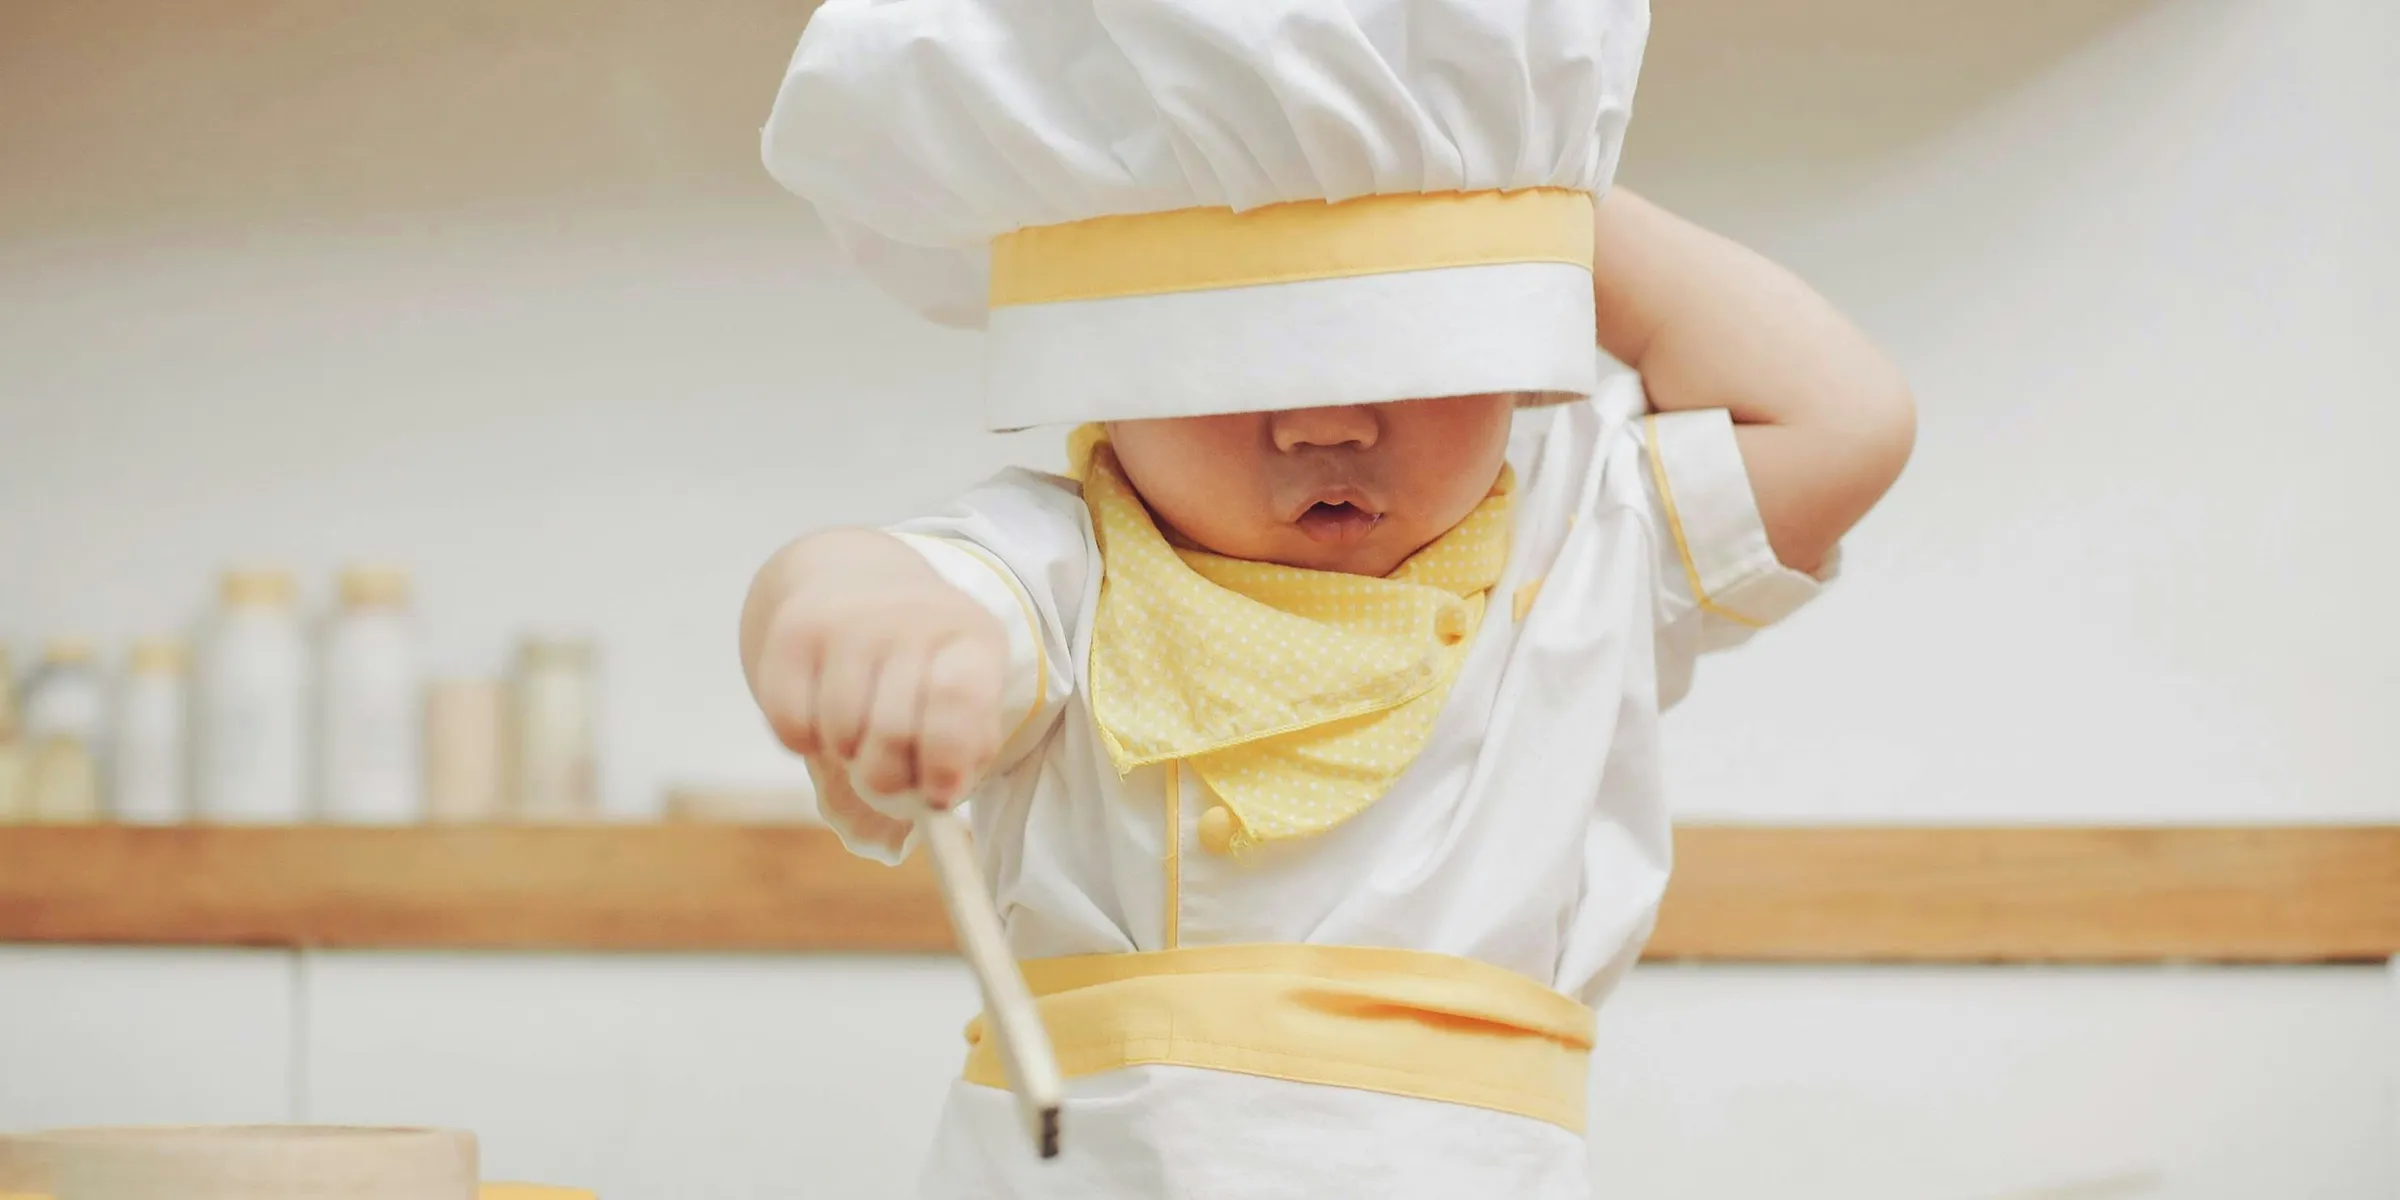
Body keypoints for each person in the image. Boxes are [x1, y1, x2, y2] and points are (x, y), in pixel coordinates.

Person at [744, 2, 1913, 1195]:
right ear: (1096, 373)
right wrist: (850, 614)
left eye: (1413, 340)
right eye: (1223, 354)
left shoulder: (1588, 532)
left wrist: (1522, 179)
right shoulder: (1060, 565)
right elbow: (874, 578)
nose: (1324, 421)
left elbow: (1846, 421)